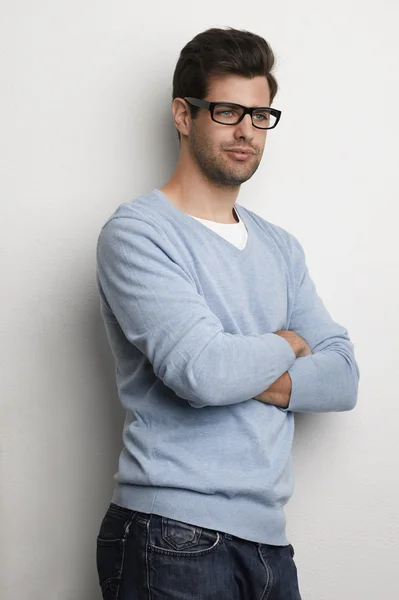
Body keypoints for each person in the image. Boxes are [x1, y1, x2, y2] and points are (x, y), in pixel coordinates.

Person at [95, 26, 359, 600]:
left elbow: (342, 376)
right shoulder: (139, 234)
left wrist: (239, 367)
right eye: (227, 111)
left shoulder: (281, 247)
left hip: (268, 543)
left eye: (260, 115)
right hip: (171, 535)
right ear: (184, 115)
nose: (246, 131)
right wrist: (288, 341)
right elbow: (203, 373)